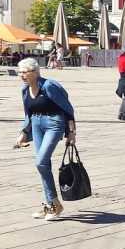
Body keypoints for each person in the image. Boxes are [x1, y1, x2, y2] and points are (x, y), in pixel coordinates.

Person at [13, 57, 76, 220]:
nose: (22, 75)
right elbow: (28, 114)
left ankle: (54, 204)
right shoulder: (25, 90)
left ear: (35, 72)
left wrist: (71, 133)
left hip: (54, 123)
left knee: (40, 162)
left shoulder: (49, 86)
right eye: (19, 72)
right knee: (44, 165)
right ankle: (49, 205)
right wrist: (24, 133)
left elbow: (68, 109)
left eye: (25, 72)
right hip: (36, 124)